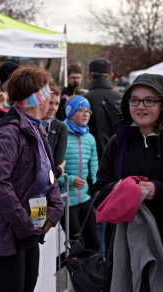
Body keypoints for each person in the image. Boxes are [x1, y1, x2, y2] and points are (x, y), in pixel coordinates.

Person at [0, 67, 64, 292]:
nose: (52, 101)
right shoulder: (8, 133)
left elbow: (48, 174)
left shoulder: (37, 130)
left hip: (27, 233)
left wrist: (55, 208)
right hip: (3, 234)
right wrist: (24, 224)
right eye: (48, 95)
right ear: (39, 101)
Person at [93, 73, 163, 291]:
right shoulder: (117, 143)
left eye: (149, 100)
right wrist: (119, 189)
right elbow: (99, 192)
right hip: (123, 246)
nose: (141, 107)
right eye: (135, 100)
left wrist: (156, 191)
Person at [57, 95, 100, 251]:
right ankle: (76, 276)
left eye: (88, 111)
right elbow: (52, 169)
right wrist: (69, 180)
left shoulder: (90, 138)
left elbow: (95, 167)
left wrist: (98, 189)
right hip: (66, 201)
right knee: (76, 248)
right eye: (81, 110)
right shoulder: (61, 133)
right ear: (70, 112)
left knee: (94, 244)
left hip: (86, 199)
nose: (86, 114)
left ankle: (91, 275)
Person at [83, 58, 122, 161]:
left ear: (89, 76)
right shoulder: (123, 100)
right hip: (118, 159)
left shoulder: (82, 100)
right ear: (110, 76)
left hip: (89, 161)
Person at [41, 82, 67, 179]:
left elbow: (57, 165)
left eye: (57, 104)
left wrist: (57, 171)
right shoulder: (31, 124)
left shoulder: (61, 127)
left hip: (49, 186)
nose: (53, 108)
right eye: (50, 103)